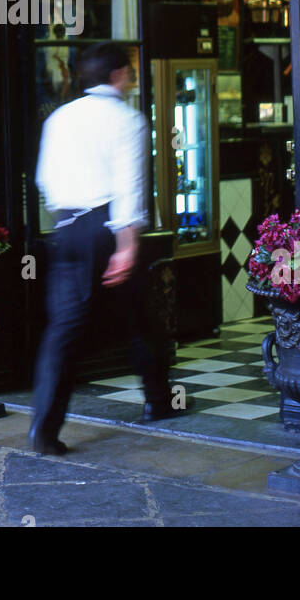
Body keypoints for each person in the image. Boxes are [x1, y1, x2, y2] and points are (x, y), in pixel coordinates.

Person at [29, 41, 188, 455]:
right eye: (130, 71)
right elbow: (128, 187)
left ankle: (44, 427)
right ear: (118, 75)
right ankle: (158, 400)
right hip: (105, 229)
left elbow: (45, 179)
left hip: (65, 227)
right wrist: (126, 244)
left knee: (65, 330)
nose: (132, 78)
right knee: (140, 318)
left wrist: (67, 221)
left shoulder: (59, 118)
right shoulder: (128, 119)